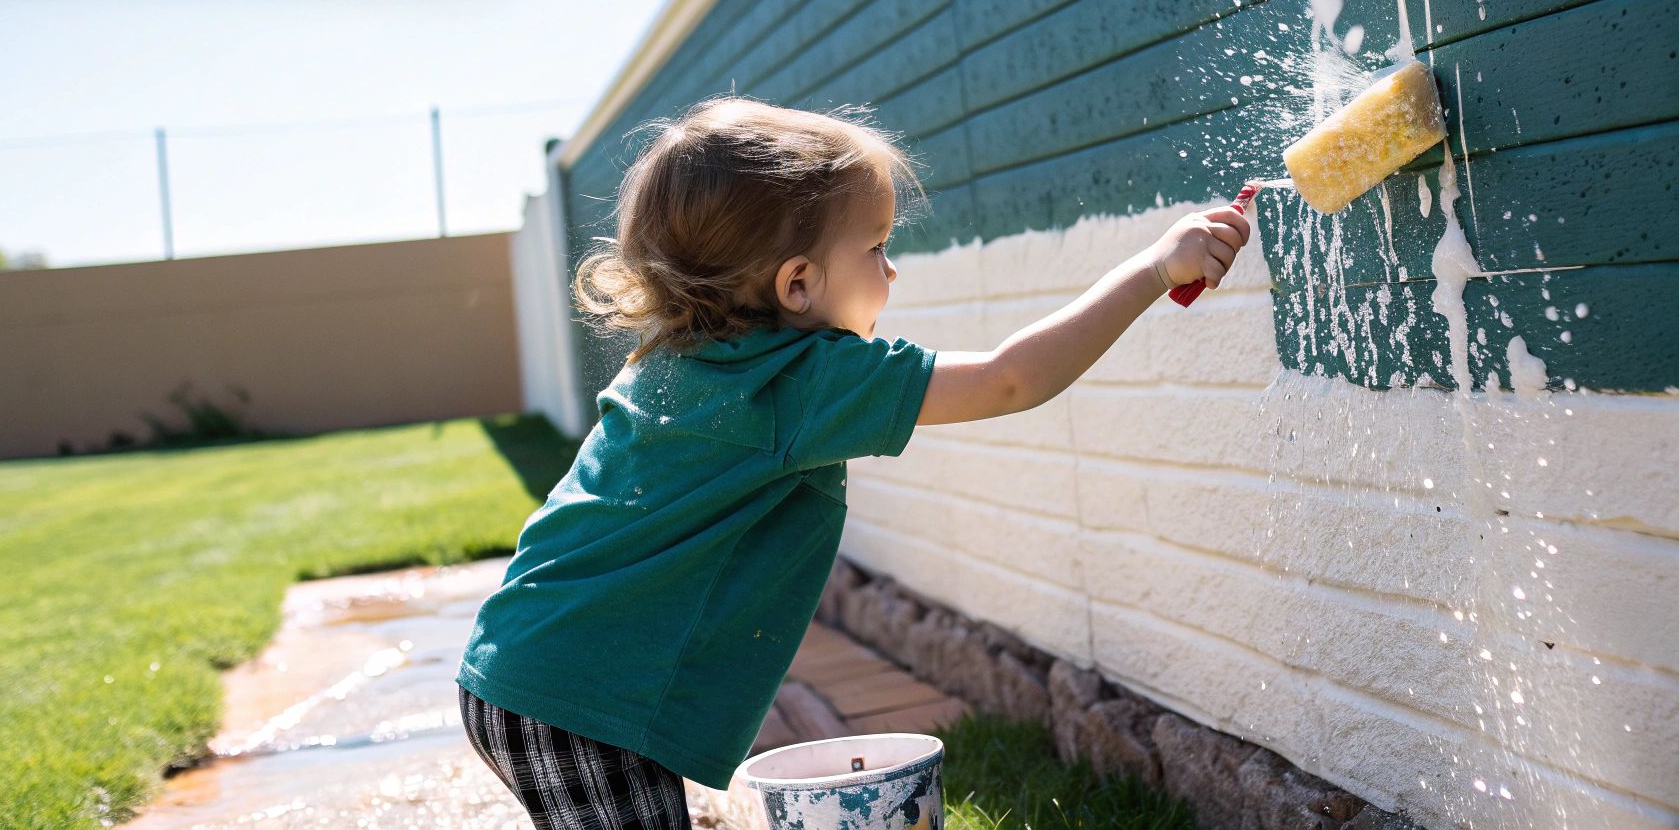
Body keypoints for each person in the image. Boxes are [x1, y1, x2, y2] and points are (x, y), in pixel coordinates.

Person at [454, 95, 1251, 829]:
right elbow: (1013, 378)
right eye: (876, 247)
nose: (892, 269)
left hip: (529, 666)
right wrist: (1154, 268)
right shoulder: (799, 379)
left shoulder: (677, 357)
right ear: (798, 284)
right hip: (575, 703)